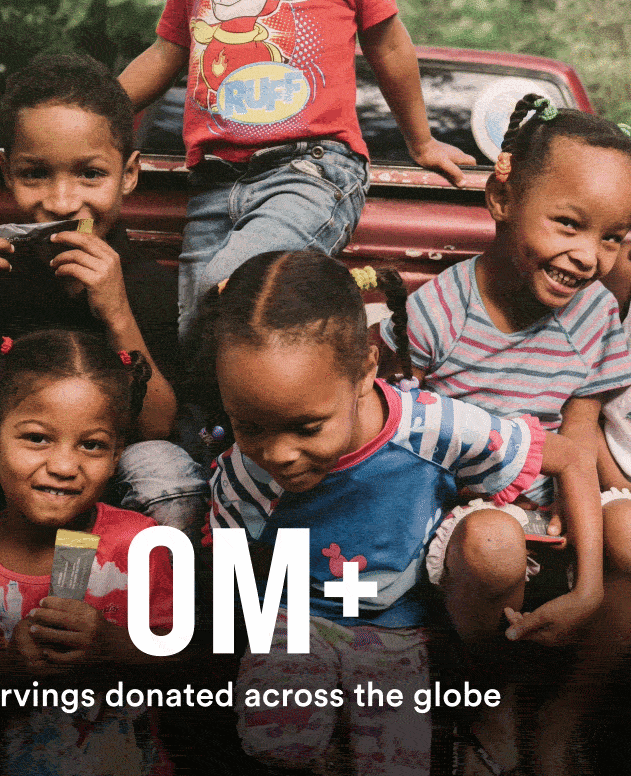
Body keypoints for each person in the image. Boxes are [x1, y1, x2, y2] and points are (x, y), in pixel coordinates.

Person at [0, 52, 206, 771]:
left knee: (167, 465)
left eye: (88, 174)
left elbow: (154, 431)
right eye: (35, 174)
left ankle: (159, 664)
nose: (61, 200)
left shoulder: (144, 284)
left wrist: (116, 310)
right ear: (5, 173)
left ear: (129, 174)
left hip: (103, 521)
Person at [200, 249, 602, 776]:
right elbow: (233, 570)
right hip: (295, 618)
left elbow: (570, 454)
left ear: (367, 369)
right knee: (280, 739)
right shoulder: (243, 473)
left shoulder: (431, 428)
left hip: (398, 628)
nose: (277, 455)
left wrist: (589, 587)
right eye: (250, 425)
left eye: (307, 427)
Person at [379, 96, 631, 774]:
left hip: (561, 494)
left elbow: (578, 443)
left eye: (614, 237)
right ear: (501, 195)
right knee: (495, 544)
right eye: (570, 224)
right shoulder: (437, 313)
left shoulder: (598, 314)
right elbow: (411, 451)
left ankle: (564, 715)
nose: (589, 258)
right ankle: (491, 701)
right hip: (469, 509)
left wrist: (587, 586)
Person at [118, 0, 476, 339]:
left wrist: (422, 143)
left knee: (225, 289)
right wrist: (93, 110)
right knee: (196, 334)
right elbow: (167, 50)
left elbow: (388, 44)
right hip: (214, 180)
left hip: (310, 169)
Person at [0, 329, 174, 773]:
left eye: (92, 445)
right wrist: (13, 668)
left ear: (117, 456)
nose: (63, 467)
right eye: (37, 438)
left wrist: (112, 645)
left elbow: (180, 668)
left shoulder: (142, 544)